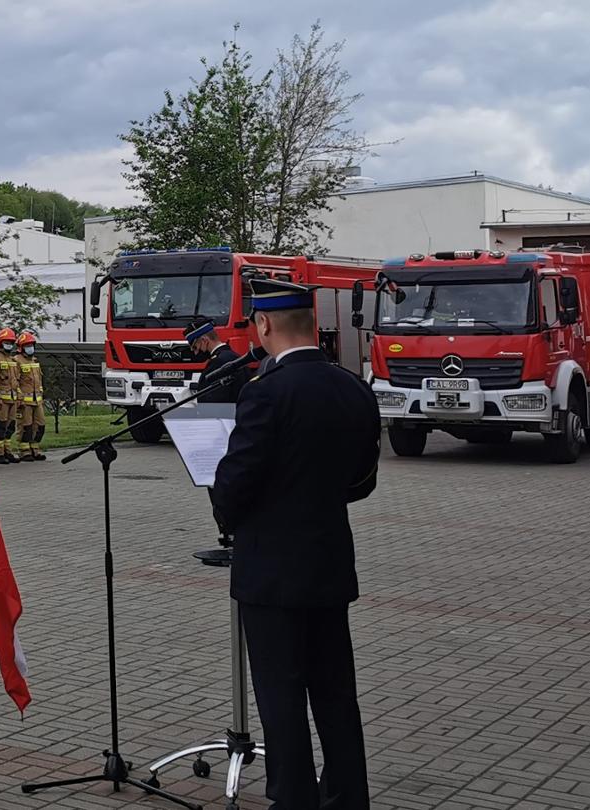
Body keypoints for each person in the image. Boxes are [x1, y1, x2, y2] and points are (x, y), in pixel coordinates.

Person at [211, 278, 379, 810]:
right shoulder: (353, 387)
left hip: (272, 571)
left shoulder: (265, 392)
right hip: (329, 563)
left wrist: (226, 507)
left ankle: (294, 800)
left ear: (263, 324)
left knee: (281, 698)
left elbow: (235, 483)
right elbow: (363, 480)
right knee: (336, 695)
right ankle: (347, 798)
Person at [189, 316, 249, 405]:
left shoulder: (218, 363)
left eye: (195, 347)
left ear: (204, 341)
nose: (196, 352)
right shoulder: (236, 357)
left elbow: (213, 402)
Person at [14, 330, 46, 461]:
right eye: (27, 346)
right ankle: (24, 451)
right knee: (25, 426)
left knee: (40, 425)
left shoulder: (34, 361)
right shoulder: (17, 361)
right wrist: (19, 398)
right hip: (24, 402)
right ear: (21, 347)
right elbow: (14, 381)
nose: (30, 348)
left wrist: (41, 395)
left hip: (37, 400)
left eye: (31, 345)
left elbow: (39, 380)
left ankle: (35, 449)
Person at [0, 327, 21, 464]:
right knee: (0, 426)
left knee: (10, 426)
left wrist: (19, 396)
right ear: (0, 343)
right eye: (6, 342)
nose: (9, 345)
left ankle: (7, 451)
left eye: (11, 342)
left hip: (12, 398)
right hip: (2, 400)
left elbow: (16, 380)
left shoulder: (12, 359)